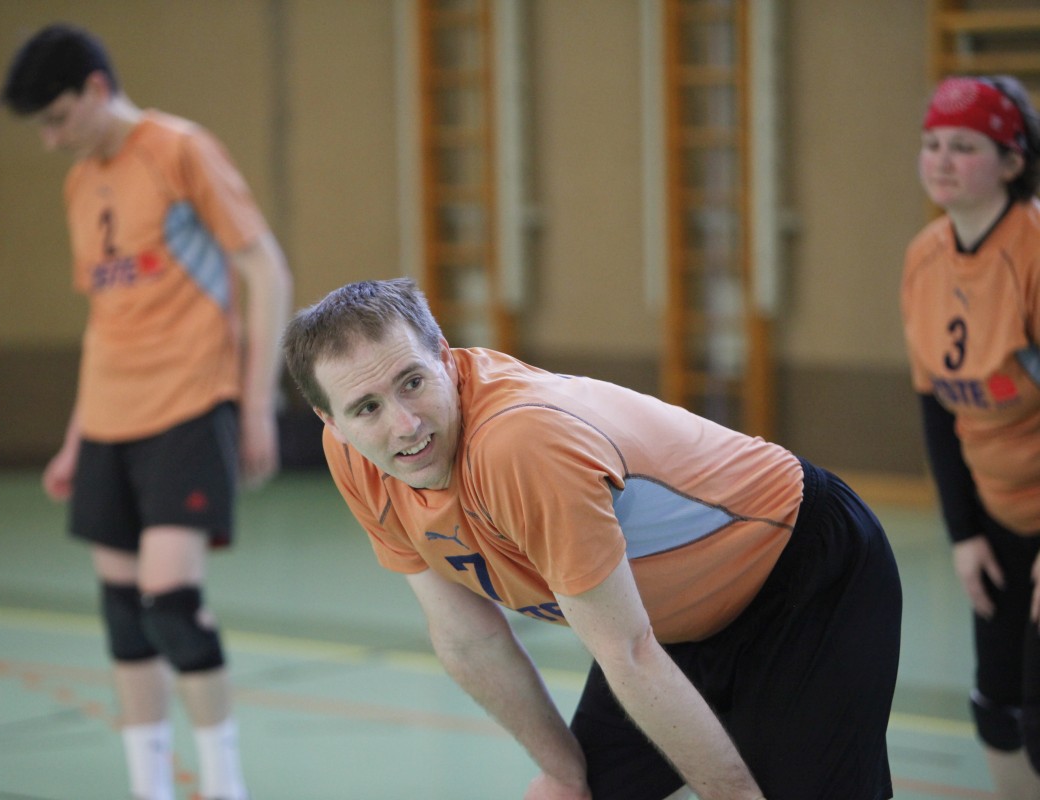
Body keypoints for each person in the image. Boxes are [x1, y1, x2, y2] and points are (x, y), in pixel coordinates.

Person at [281, 278, 902, 800]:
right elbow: (467, 636)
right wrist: (563, 773)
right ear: (329, 420)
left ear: (444, 356)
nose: (405, 424)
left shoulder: (516, 446)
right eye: (366, 408)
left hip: (802, 574)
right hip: (664, 626)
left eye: (412, 382)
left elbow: (627, 651)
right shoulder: (357, 458)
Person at [0, 23, 291, 800]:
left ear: (96, 89)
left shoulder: (179, 151)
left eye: (58, 118)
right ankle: (149, 787)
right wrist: (76, 439)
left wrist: (256, 403)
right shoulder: (78, 185)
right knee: (124, 615)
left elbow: (266, 271)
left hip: (189, 404)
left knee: (172, 604)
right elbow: (104, 322)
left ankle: (224, 784)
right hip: (109, 419)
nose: (51, 139)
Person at [901, 74, 1040, 799]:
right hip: (996, 511)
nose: (941, 160)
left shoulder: (1033, 252)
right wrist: (962, 534)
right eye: (931, 144)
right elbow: (936, 407)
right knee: (996, 706)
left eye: (964, 146)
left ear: (1012, 162)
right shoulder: (925, 256)